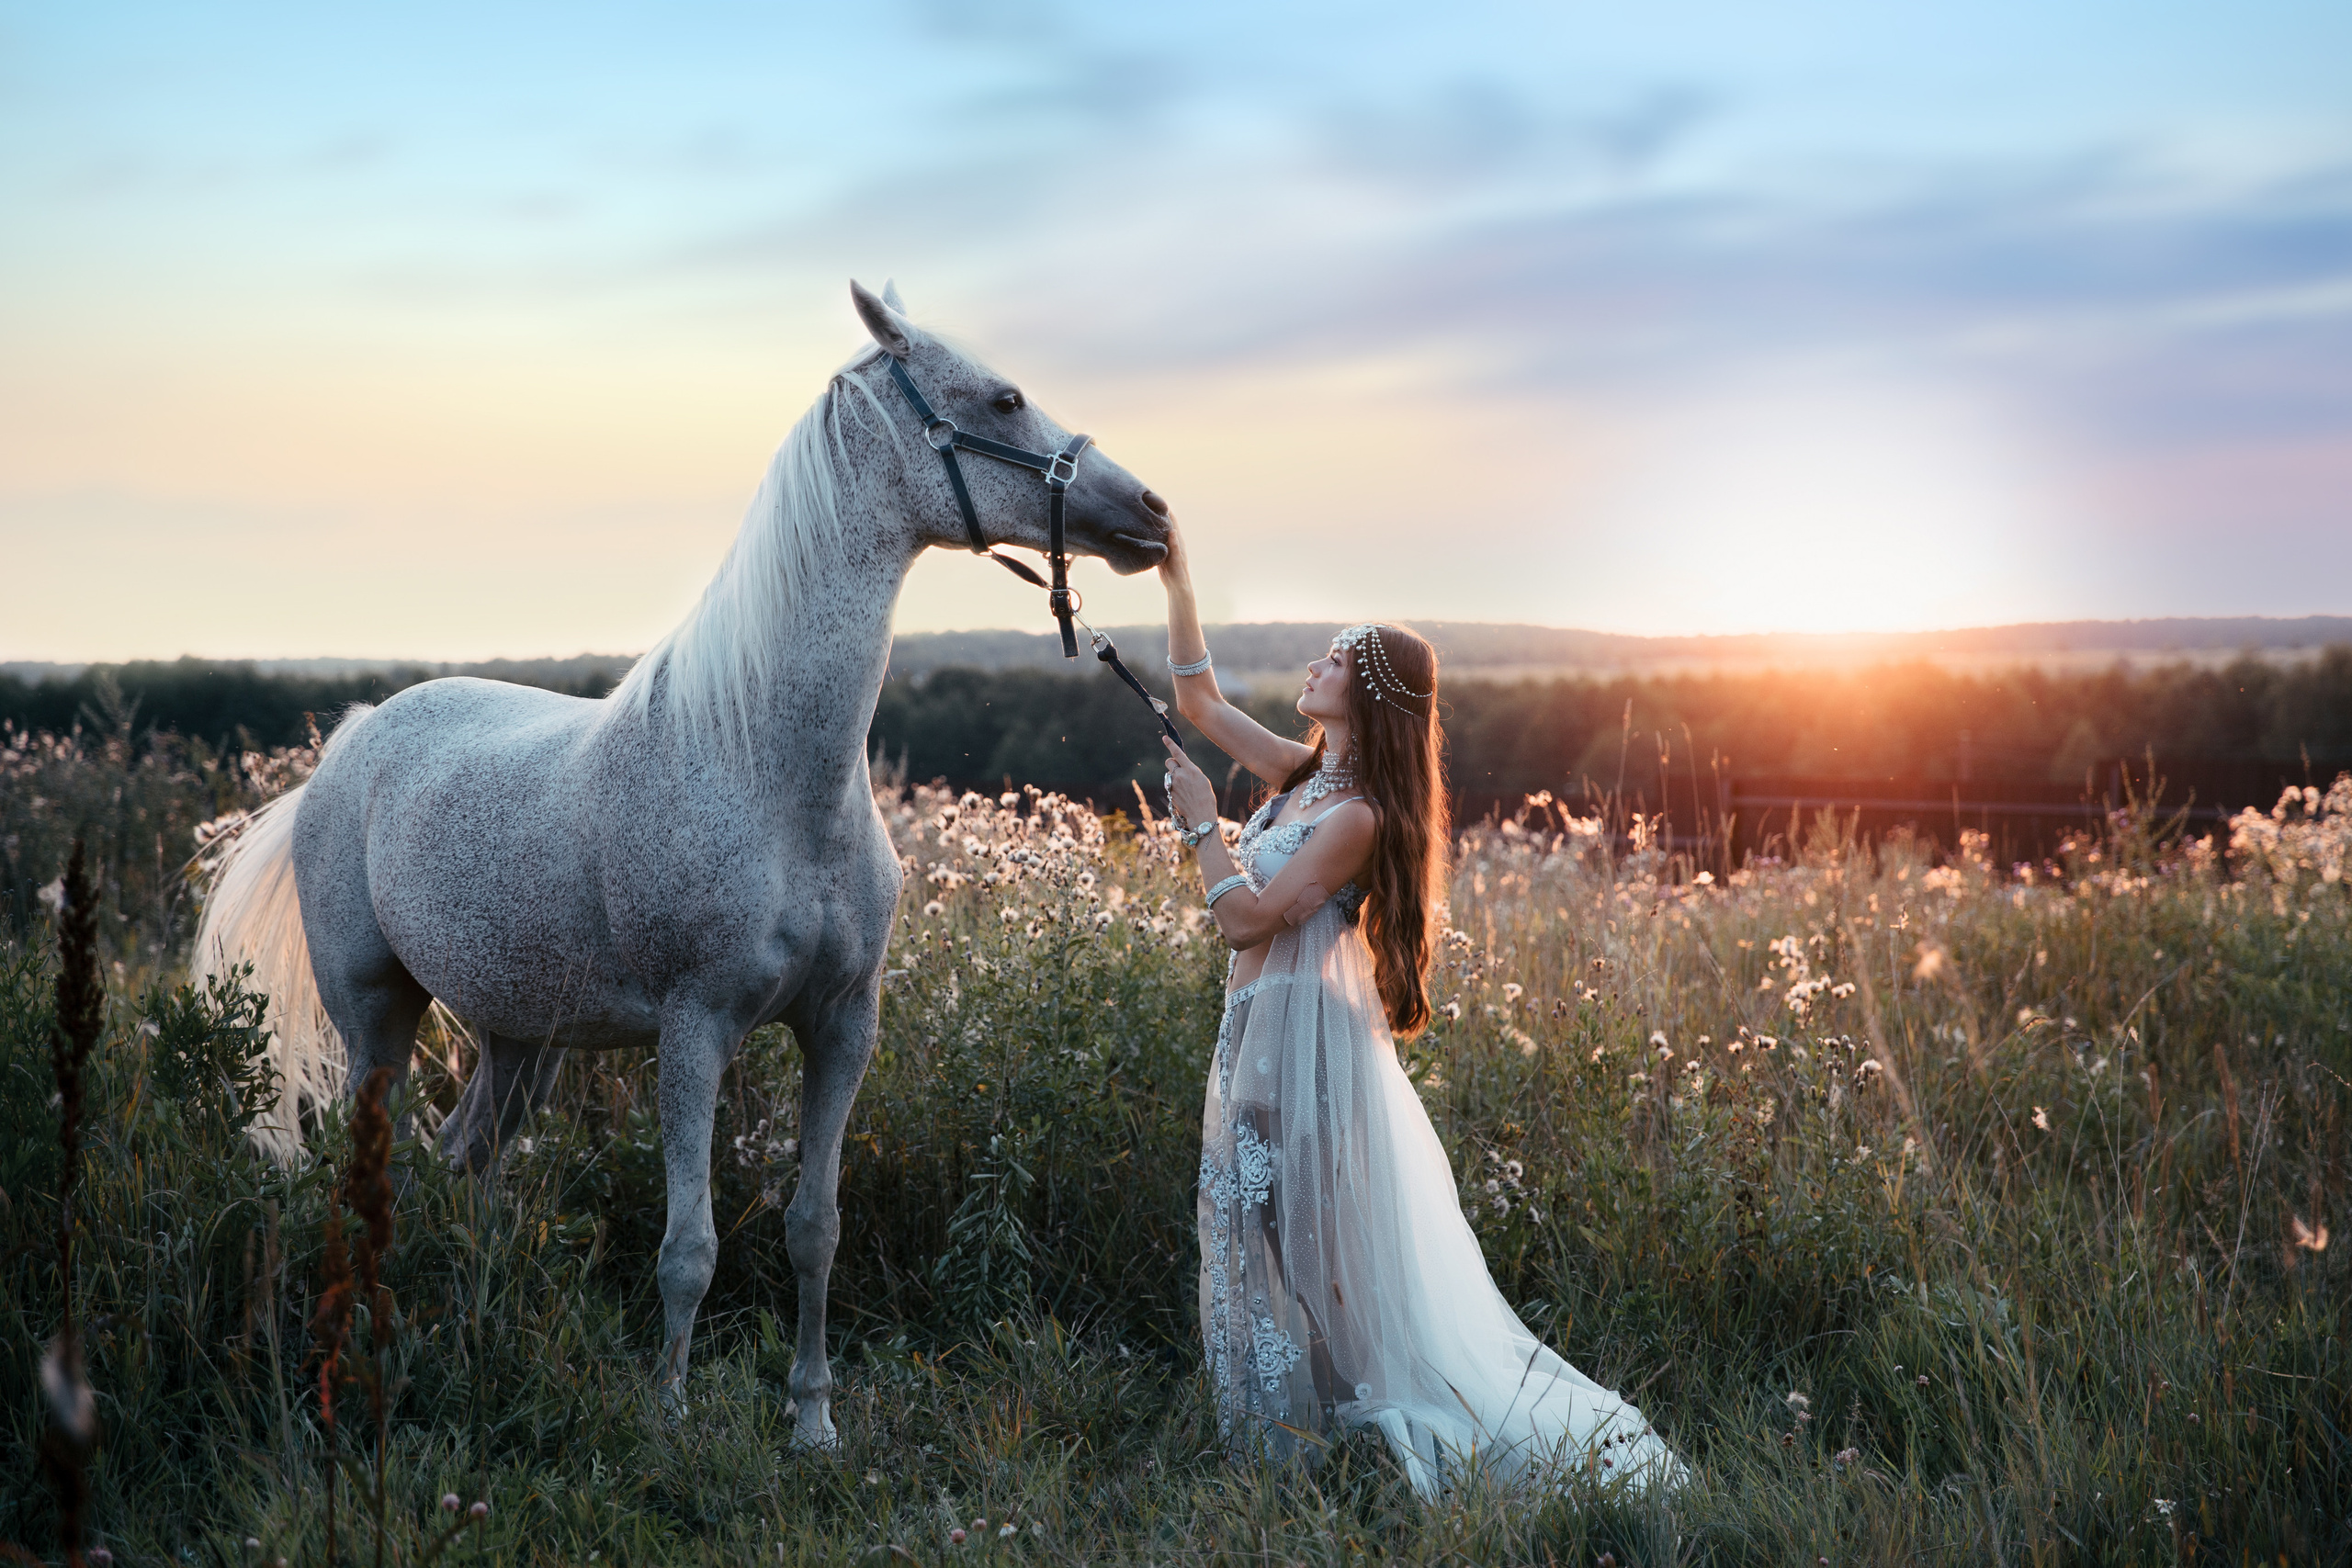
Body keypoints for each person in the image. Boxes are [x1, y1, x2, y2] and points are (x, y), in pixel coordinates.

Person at [1153, 523, 1686, 1498]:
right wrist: (1177, 580)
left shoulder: (1356, 818)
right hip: (1255, 1041)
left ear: (1368, 694)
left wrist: (1200, 826)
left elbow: (1247, 922)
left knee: (1317, 1259)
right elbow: (1199, 701)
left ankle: (1368, 1429)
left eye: (1334, 658)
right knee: (1260, 1239)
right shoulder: (1304, 778)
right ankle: (1314, 1431)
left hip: (1308, 1050)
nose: (1313, 666)